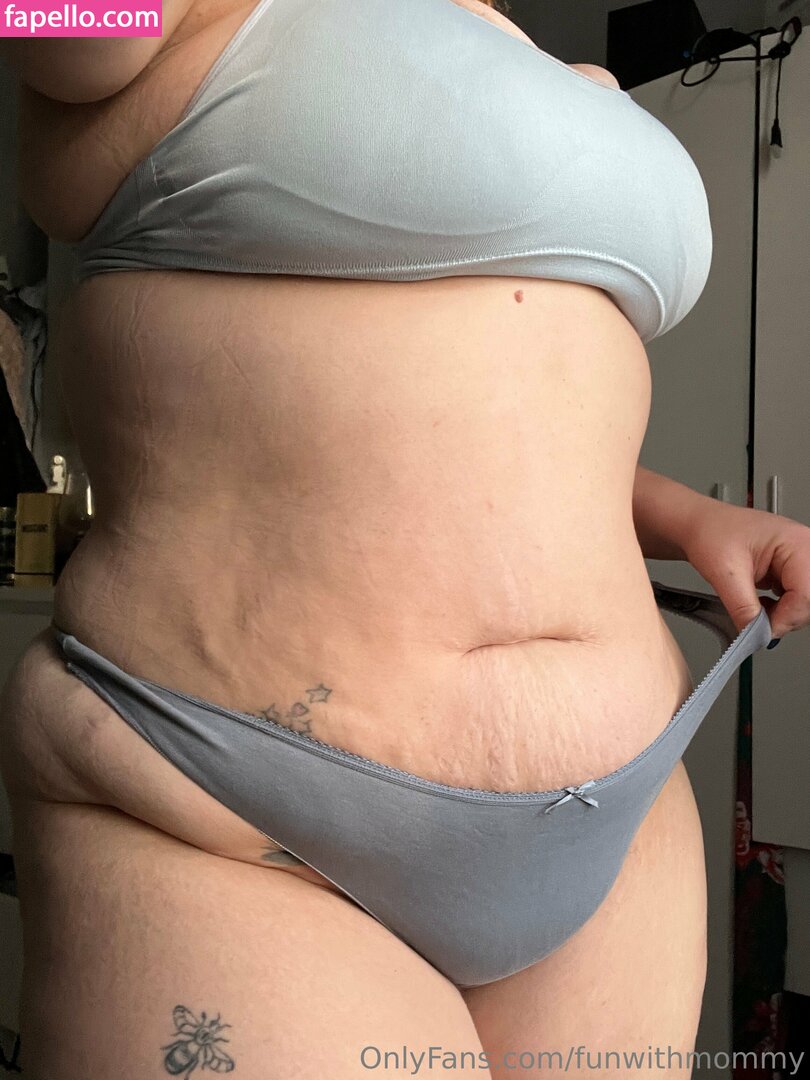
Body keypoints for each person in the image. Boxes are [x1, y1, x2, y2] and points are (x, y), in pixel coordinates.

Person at [1, 0, 808, 1075]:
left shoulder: (510, 41)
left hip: (621, 810)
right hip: (224, 806)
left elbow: (498, 411)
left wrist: (690, 518)